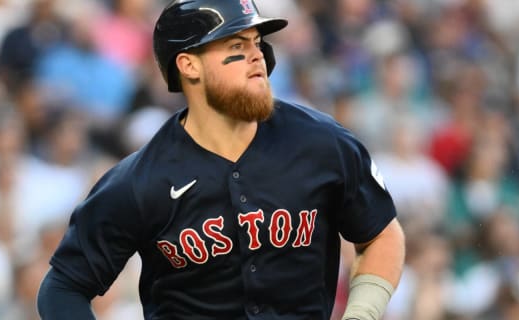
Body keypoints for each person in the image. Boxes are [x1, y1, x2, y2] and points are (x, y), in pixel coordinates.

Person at [36, 1, 406, 319]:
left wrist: (360, 313)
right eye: (236, 44)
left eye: (257, 43)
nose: (257, 55)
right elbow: (63, 286)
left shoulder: (323, 144)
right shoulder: (140, 180)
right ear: (189, 65)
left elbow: (381, 234)